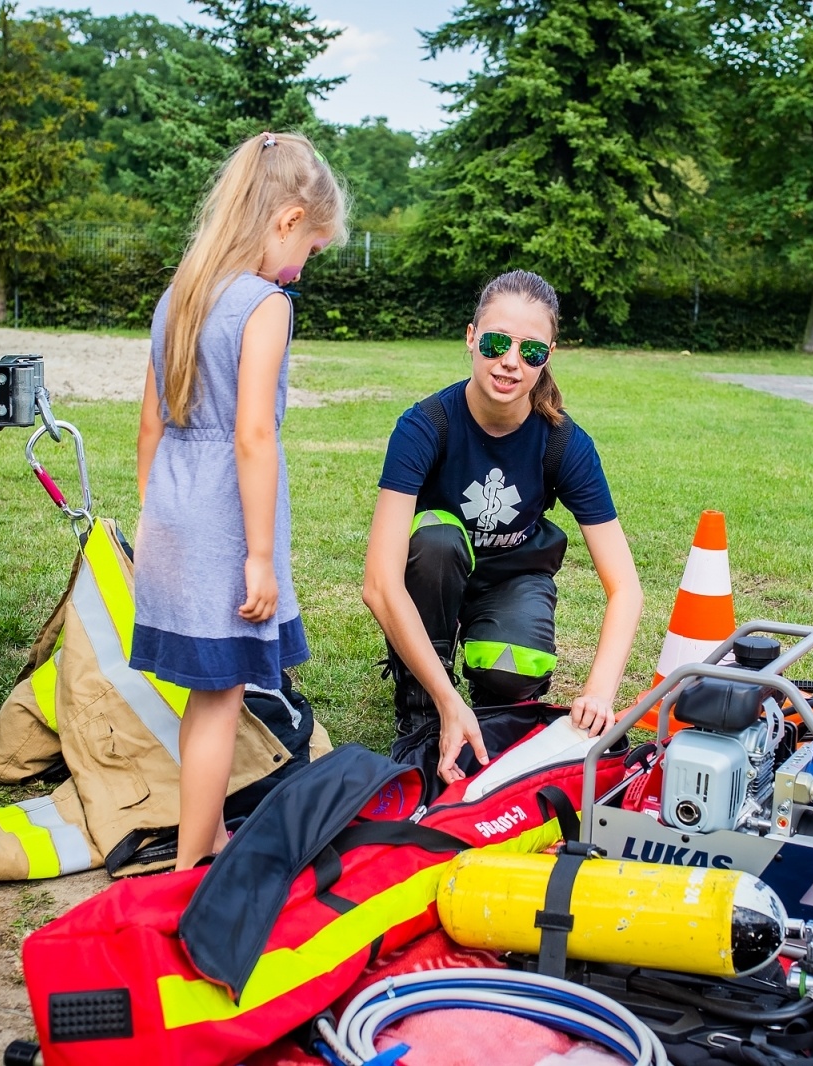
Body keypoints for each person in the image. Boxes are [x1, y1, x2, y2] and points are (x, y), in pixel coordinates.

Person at [131, 131, 347, 870]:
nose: (304, 267)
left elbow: (151, 423)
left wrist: (156, 517)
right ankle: (195, 863)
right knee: (221, 699)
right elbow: (254, 435)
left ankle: (206, 835)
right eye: (312, 248)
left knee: (204, 694)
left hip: (173, 511)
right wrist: (260, 558)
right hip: (225, 522)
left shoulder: (181, 292)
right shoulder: (266, 305)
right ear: (288, 218)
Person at [362, 270, 643, 786]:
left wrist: (600, 693)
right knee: (437, 539)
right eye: (495, 342)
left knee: (514, 673)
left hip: (511, 580)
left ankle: (490, 709)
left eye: (531, 350)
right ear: (471, 338)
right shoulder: (424, 426)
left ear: (548, 355)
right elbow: (379, 583)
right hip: (436, 576)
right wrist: (447, 701)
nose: (510, 361)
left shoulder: (564, 442)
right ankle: (422, 708)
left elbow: (624, 587)